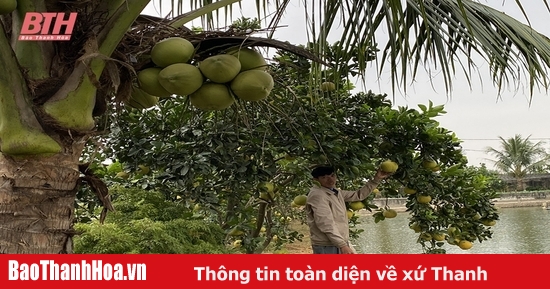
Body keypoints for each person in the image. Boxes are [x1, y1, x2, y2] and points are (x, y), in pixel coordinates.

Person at [305, 165, 392, 254]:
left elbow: (358, 195)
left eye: (332, 176)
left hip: (336, 242)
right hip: (327, 245)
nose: (330, 180)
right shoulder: (318, 195)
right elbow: (325, 223)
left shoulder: (334, 192)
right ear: (316, 180)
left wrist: (376, 179)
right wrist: (342, 245)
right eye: (324, 177)